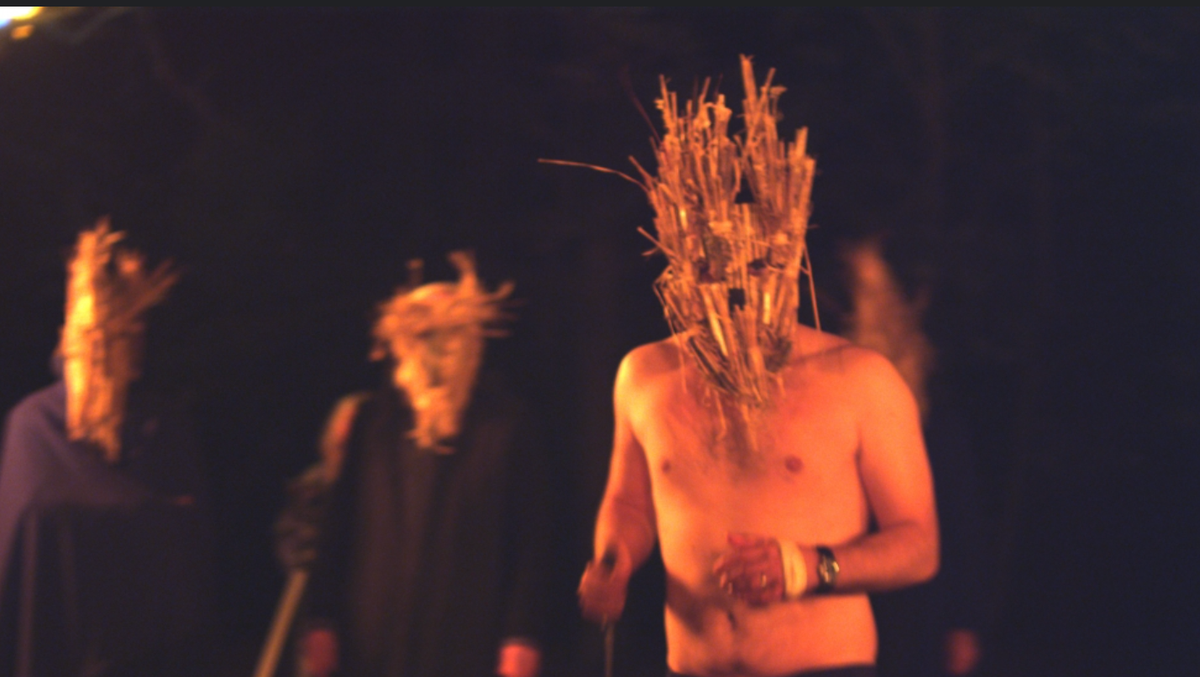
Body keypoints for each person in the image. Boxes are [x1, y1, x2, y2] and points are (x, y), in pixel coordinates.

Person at [575, 57, 940, 677]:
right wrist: (614, 561)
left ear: (783, 254)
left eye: (752, 258)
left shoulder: (858, 379)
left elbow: (917, 546)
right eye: (713, 257)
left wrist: (806, 567)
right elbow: (629, 505)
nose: (734, 275)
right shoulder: (645, 375)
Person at [299, 251, 549, 677]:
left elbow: (531, 538)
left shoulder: (505, 426)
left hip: (468, 635)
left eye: (451, 334)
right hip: (372, 638)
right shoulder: (371, 424)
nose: (438, 349)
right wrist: (320, 617)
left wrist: (522, 634)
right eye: (426, 334)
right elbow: (338, 525)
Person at [0, 219, 214, 676]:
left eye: (139, 326)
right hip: (58, 642)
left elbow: (189, 534)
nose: (134, 339)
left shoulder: (161, 424)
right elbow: (35, 520)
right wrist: (148, 512)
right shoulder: (34, 423)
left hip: (144, 650)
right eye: (119, 330)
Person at [840, 239, 986, 677]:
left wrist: (962, 622)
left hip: (914, 599)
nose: (872, 316)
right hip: (841, 590)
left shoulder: (934, 417)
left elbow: (959, 518)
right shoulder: (829, 393)